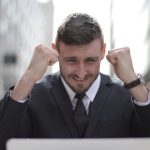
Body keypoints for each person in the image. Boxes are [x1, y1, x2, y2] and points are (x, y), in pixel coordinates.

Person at [0, 13, 150, 150]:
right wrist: (29, 77)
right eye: (71, 60)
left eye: (90, 60)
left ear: (103, 51)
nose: (81, 72)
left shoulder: (127, 96)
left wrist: (133, 81)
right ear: (55, 50)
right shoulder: (31, 96)